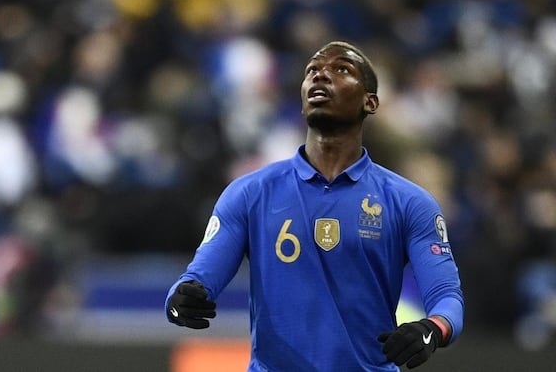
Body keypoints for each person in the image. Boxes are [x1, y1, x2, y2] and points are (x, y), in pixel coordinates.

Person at [165, 41, 464, 371]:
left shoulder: (409, 202)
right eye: (312, 71)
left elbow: (447, 297)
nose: (321, 75)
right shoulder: (249, 194)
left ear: (371, 101)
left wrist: (432, 329)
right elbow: (197, 279)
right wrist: (181, 299)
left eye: (341, 69)